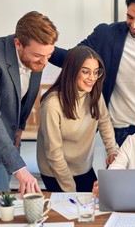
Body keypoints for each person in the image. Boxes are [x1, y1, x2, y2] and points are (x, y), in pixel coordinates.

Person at [49, 0, 135, 146]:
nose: (133, 24)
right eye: (129, 16)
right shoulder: (106, 35)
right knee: (116, 172)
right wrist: (43, 49)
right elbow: (72, 59)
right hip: (118, 130)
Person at [0, 11, 59, 196]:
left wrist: (19, 127)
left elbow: (23, 97)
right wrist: (20, 168)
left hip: (9, 140)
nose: (44, 62)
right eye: (38, 56)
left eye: (48, 55)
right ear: (18, 44)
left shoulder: (39, 55)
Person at [36, 46, 119, 192]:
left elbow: (104, 122)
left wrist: (112, 150)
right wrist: (70, 189)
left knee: (94, 205)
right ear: (72, 71)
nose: (92, 78)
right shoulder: (52, 104)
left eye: (96, 72)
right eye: (85, 72)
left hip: (83, 167)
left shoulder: (94, 93)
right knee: (69, 210)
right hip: (55, 171)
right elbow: (53, 153)